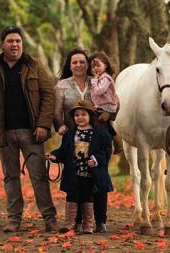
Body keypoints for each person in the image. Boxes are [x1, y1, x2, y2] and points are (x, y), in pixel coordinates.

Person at [0, 26, 58, 233]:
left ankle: (50, 219)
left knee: (39, 176)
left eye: (18, 41)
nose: (15, 44)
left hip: (33, 133)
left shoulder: (35, 66)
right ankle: (14, 220)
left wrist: (43, 125)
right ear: (2, 45)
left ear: (22, 44)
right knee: (10, 178)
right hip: (5, 133)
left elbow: (49, 96)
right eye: (10, 41)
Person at [54, 48, 110, 233]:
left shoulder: (98, 81)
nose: (78, 65)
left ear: (88, 64)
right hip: (73, 136)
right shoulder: (62, 85)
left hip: (97, 135)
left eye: (82, 62)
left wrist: (109, 113)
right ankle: (76, 221)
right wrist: (60, 125)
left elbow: (111, 100)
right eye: (74, 62)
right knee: (76, 180)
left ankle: (99, 220)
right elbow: (56, 110)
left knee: (97, 177)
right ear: (69, 66)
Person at [48, 100, 113, 234]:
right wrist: (55, 155)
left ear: (90, 116)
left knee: (87, 197)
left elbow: (107, 151)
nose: (80, 117)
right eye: (77, 115)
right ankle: (70, 223)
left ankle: (88, 225)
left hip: (90, 174)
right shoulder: (70, 134)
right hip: (74, 173)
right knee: (72, 196)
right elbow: (63, 150)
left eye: (83, 114)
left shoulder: (100, 134)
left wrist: (96, 159)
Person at [89, 52, 122, 153]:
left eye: (98, 65)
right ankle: (117, 142)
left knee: (100, 123)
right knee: (105, 124)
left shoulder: (105, 78)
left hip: (107, 106)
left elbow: (99, 91)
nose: (95, 69)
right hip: (102, 105)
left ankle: (112, 143)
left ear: (106, 65)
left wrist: (94, 81)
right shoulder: (101, 77)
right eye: (93, 66)